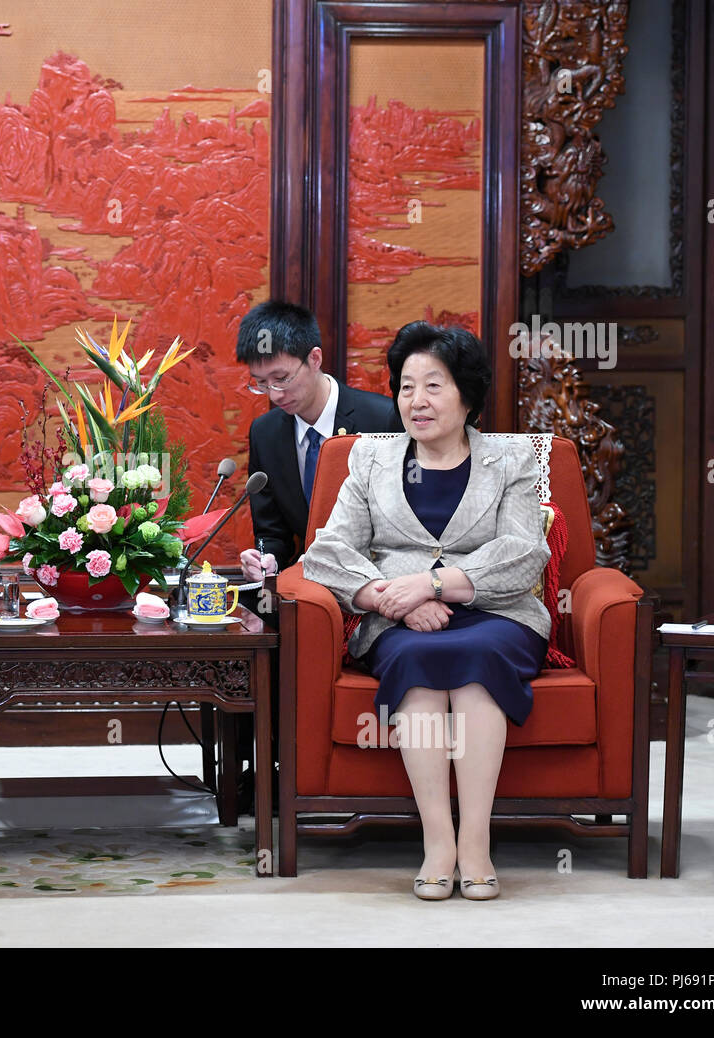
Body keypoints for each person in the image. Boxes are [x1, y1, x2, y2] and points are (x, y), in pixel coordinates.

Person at [301, 321, 550, 901]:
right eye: (406, 386)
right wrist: (389, 598)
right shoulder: (369, 459)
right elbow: (328, 552)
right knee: (415, 658)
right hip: (398, 618)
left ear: (466, 393)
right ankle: (439, 842)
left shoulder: (512, 459)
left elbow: (522, 554)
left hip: (497, 615)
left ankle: (477, 843)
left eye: (433, 386)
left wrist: (432, 586)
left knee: (477, 655)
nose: (417, 401)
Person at [235, 301, 402, 585]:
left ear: (314, 359)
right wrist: (266, 558)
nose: (274, 395)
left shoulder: (383, 420)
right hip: (309, 587)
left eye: (282, 378)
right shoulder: (265, 433)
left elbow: (400, 525)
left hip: (381, 581)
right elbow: (272, 533)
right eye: (261, 383)